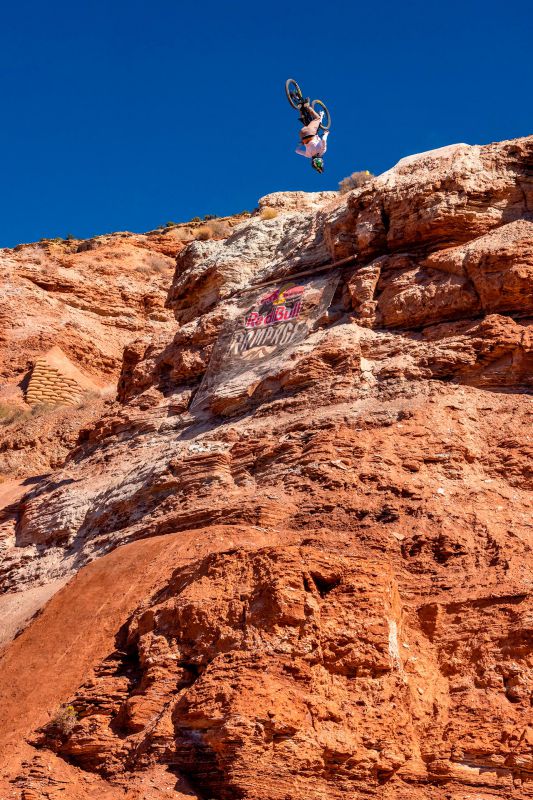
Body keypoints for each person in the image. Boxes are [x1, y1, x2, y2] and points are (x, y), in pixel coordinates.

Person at [295, 101, 329, 174]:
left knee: (317, 118)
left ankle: (307, 106)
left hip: (311, 132)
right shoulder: (308, 155)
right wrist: (300, 145)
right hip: (302, 134)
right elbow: (297, 151)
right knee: (307, 123)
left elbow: (323, 140)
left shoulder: (322, 151)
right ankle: (300, 108)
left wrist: (326, 134)